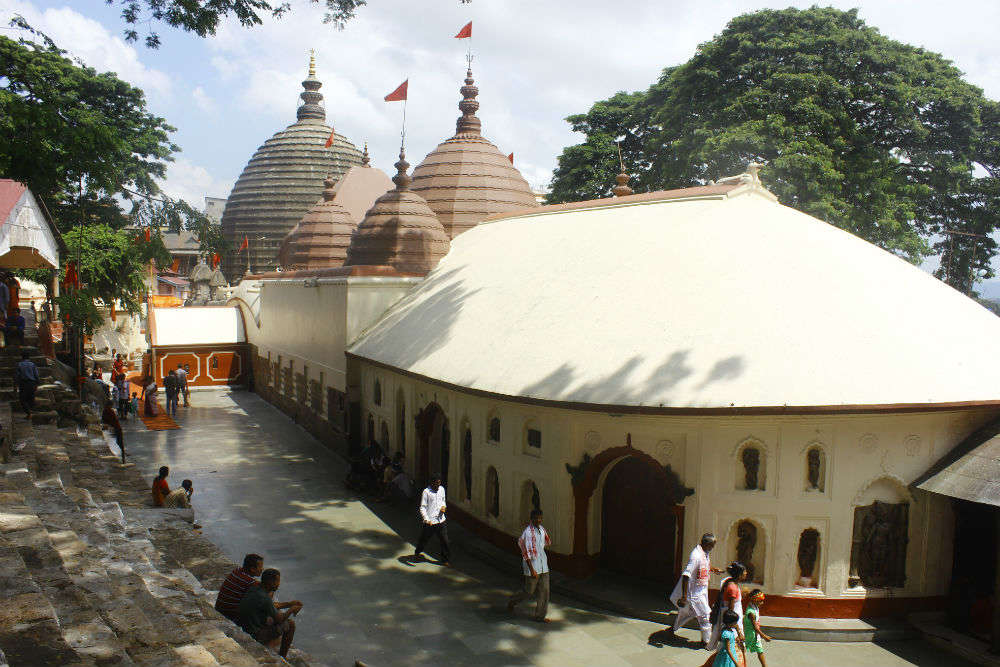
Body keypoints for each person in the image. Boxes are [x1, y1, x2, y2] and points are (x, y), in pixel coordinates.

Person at [667, 532, 724, 648]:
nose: (713, 548)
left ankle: (672, 628)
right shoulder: (695, 556)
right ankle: (706, 642)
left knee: (686, 613)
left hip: (702, 591)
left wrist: (713, 569)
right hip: (694, 594)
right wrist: (684, 596)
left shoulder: (704, 553)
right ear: (706, 543)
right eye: (712, 545)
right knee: (705, 616)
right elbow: (686, 575)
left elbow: (704, 566)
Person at [238, 568, 303, 658]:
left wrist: (289, 604)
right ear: (270, 582)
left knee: (273, 615)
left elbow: (272, 606)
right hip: (254, 634)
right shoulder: (265, 598)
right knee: (290, 624)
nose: (278, 584)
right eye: (277, 581)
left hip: (244, 626)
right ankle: (282, 657)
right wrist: (292, 609)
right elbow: (280, 619)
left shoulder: (255, 589)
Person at [507, 509, 552, 622]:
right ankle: (513, 600)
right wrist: (532, 570)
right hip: (532, 566)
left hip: (543, 565)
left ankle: (540, 616)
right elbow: (525, 552)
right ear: (531, 519)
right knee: (529, 591)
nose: (538, 520)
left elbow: (545, 543)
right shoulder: (527, 533)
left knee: (544, 590)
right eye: (536, 518)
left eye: (540, 518)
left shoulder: (542, 530)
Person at [708, 562, 747, 651]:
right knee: (730, 646)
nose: (746, 573)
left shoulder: (730, 583)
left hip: (733, 619)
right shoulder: (732, 587)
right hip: (732, 620)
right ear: (739, 574)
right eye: (744, 572)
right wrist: (735, 627)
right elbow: (731, 609)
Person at [412, 473, 449, 564]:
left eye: (439, 483)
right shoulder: (426, 492)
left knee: (445, 540)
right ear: (432, 483)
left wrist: (444, 507)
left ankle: (445, 559)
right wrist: (426, 519)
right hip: (430, 522)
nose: (438, 485)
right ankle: (418, 552)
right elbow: (423, 507)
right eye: (436, 483)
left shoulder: (442, 489)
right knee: (424, 538)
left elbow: (443, 501)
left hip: (441, 520)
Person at [216, 554, 265, 623]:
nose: (262, 570)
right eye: (260, 567)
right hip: (230, 615)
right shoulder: (250, 582)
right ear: (252, 569)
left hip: (220, 609)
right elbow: (266, 595)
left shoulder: (237, 571)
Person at [743, 589, 770, 666]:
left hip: (754, 634)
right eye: (760, 601)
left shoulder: (753, 606)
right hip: (750, 634)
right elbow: (755, 627)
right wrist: (764, 636)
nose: (762, 603)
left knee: (760, 650)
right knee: (743, 649)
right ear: (754, 600)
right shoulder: (751, 613)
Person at [15, 349, 39, 418]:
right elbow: (36, 375)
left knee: (22, 399)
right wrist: (37, 384)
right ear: (29, 357)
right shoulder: (32, 364)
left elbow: (17, 376)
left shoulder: (20, 365)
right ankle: (31, 412)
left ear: (22, 357)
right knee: (31, 398)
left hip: (24, 383)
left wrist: (16, 386)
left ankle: (29, 413)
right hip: (32, 383)